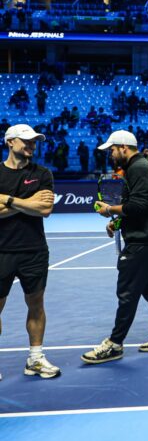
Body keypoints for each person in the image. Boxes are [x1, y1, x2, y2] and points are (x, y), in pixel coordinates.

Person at [81, 130, 148, 364]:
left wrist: (109, 210)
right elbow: (135, 206)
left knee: (127, 291)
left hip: (143, 240)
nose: (111, 155)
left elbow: (139, 205)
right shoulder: (138, 168)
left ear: (123, 147)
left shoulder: (139, 168)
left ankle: (115, 344)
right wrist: (118, 222)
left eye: (112, 150)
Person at [0, 124, 60, 380]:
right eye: (26, 141)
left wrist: (8, 200)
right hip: (1, 251)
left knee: (36, 304)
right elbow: (35, 206)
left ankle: (35, 358)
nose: (32, 145)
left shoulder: (43, 173)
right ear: (10, 142)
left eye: (34, 141)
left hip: (34, 250)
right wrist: (29, 203)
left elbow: (45, 209)